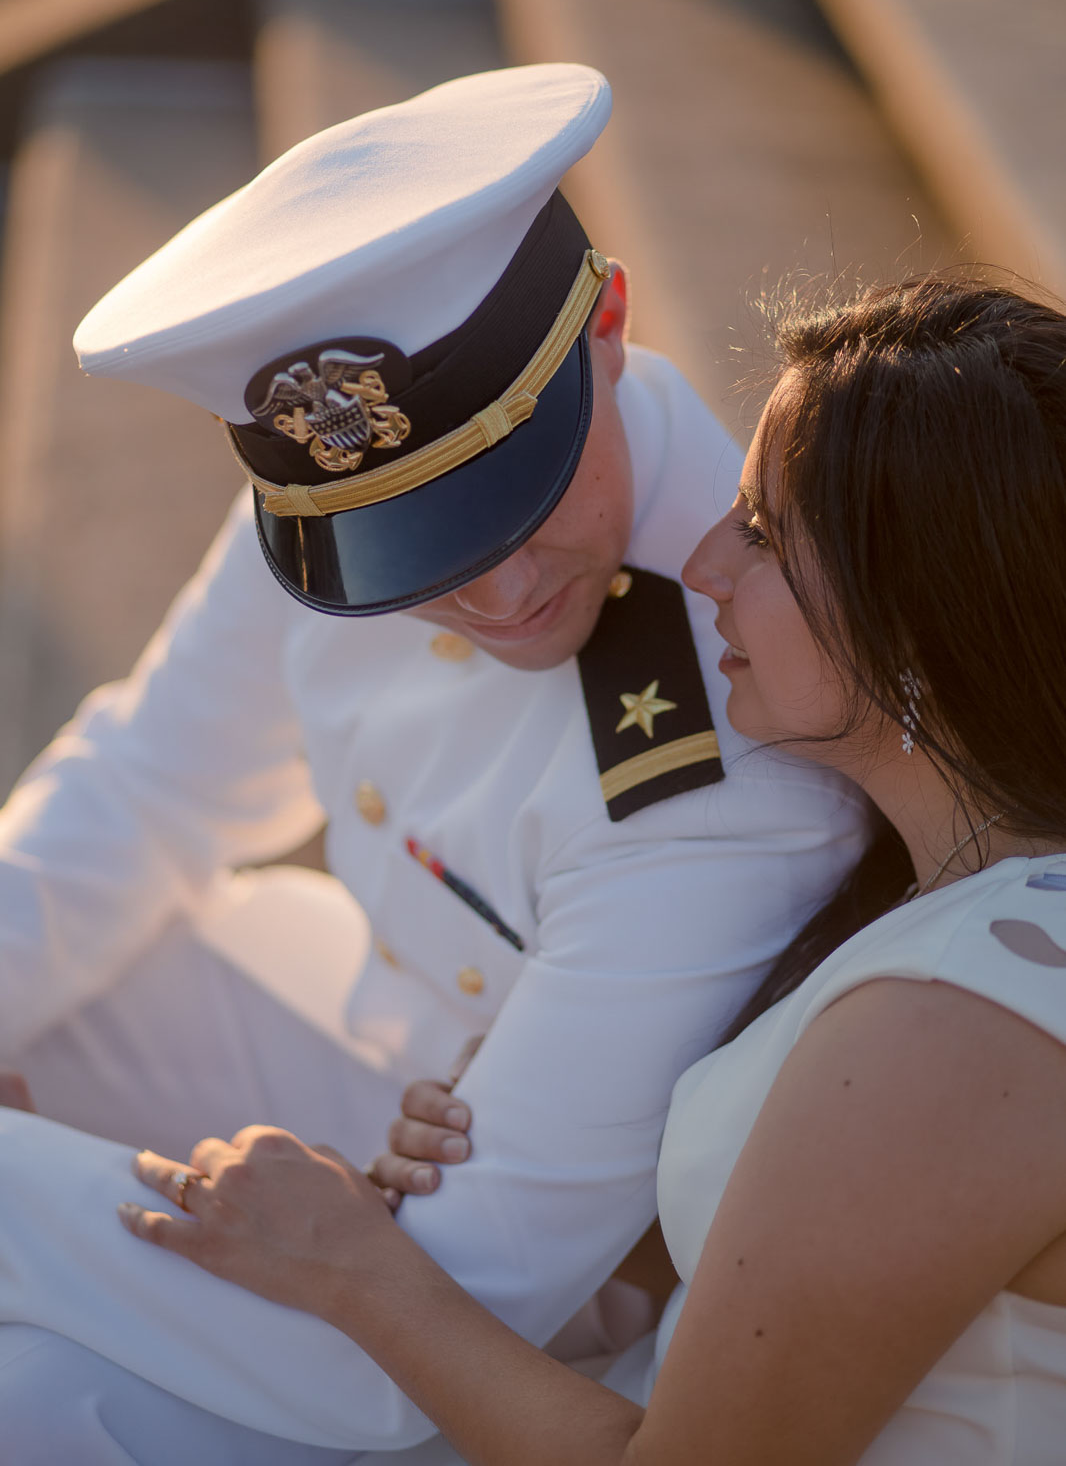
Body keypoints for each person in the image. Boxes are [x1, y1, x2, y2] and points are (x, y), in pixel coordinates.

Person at [0, 64, 864, 1458]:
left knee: (36, 1401)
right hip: (382, 1071)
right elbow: (144, 789)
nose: (498, 588)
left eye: (519, 500)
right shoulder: (347, 495)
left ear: (612, 327)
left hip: (559, 1303)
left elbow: (425, 1334)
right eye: (418, 548)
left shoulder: (731, 740)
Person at [113, 271, 1066, 1466]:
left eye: (764, 533)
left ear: (912, 623)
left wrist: (361, 1273)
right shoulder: (962, 922)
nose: (705, 563)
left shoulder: (949, 1026)